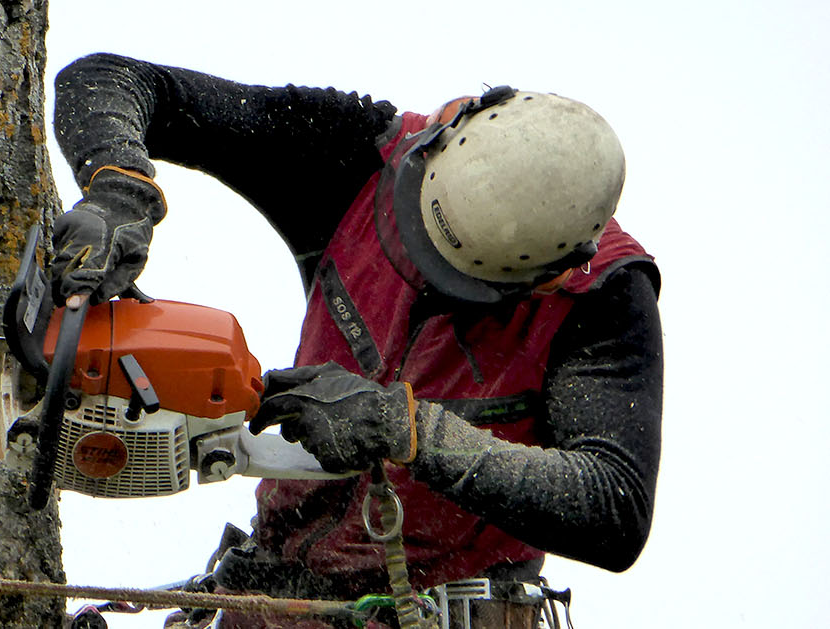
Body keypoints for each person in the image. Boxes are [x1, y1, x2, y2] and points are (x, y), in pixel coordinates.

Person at [48, 53, 663, 629]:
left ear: (557, 271)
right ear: (448, 135)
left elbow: (612, 508)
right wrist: (120, 190)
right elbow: (110, 80)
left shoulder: (603, 295)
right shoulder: (356, 156)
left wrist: (405, 430)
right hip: (274, 595)